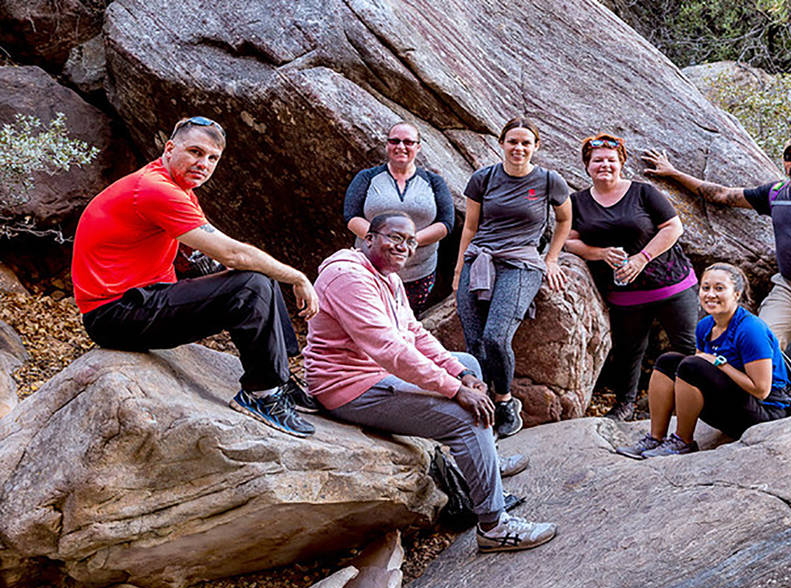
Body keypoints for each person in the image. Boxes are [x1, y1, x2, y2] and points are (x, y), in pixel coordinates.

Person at [304, 211, 558, 552]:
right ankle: (494, 526)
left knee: (468, 362)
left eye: (410, 241)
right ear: (369, 238)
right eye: (395, 238)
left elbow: (415, 333)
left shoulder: (388, 277)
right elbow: (389, 349)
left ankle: (484, 461)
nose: (404, 247)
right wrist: (454, 390)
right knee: (465, 418)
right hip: (349, 388)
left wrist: (461, 375)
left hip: (377, 372)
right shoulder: (347, 278)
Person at [72, 116, 321, 438]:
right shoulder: (155, 189)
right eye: (195, 152)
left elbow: (211, 256)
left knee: (257, 275)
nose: (203, 163)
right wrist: (298, 277)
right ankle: (262, 394)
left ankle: (279, 379)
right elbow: (233, 254)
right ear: (170, 148)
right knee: (253, 280)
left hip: (144, 298)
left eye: (212, 158)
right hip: (114, 315)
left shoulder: (178, 188)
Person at [641, 135, 791, 411]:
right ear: (784, 163)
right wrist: (673, 173)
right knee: (758, 340)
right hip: (788, 288)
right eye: (790, 157)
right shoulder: (776, 194)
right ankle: (764, 411)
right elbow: (722, 195)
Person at [564, 134, 698, 422]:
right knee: (628, 352)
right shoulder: (577, 202)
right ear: (587, 166)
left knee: (687, 346)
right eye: (597, 160)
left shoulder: (643, 192)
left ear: (621, 163)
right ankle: (625, 405)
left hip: (671, 285)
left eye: (611, 160)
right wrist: (598, 253)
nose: (604, 165)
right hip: (625, 293)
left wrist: (642, 258)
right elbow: (568, 240)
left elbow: (673, 228)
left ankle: (695, 401)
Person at [453, 117, 572, 438]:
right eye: (512, 142)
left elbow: (564, 220)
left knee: (495, 337)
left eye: (525, 143)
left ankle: (505, 402)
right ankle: (479, 403)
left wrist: (551, 258)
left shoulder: (549, 180)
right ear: (501, 143)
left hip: (521, 263)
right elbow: (470, 227)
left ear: (535, 147)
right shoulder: (483, 178)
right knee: (474, 342)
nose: (518, 148)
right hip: (479, 260)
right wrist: (459, 269)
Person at [618, 264, 791, 458]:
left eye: (719, 288)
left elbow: (762, 391)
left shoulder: (751, 330)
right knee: (668, 361)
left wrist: (721, 364)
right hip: (732, 403)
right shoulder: (705, 326)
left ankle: (683, 441)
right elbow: (700, 369)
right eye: (705, 287)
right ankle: (655, 438)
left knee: (691, 367)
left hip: (765, 414)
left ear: (736, 294)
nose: (710, 294)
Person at [343, 121, 454, 315]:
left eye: (408, 142)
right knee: (371, 323)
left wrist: (408, 242)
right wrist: (383, 241)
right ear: (387, 145)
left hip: (418, 273)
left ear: (418, 147)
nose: (401, 147)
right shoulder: (367, 177)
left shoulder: (433, 181)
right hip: (371, 269)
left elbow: (446, 223)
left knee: (407, 326)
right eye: (394, 141)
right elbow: (351, 216)